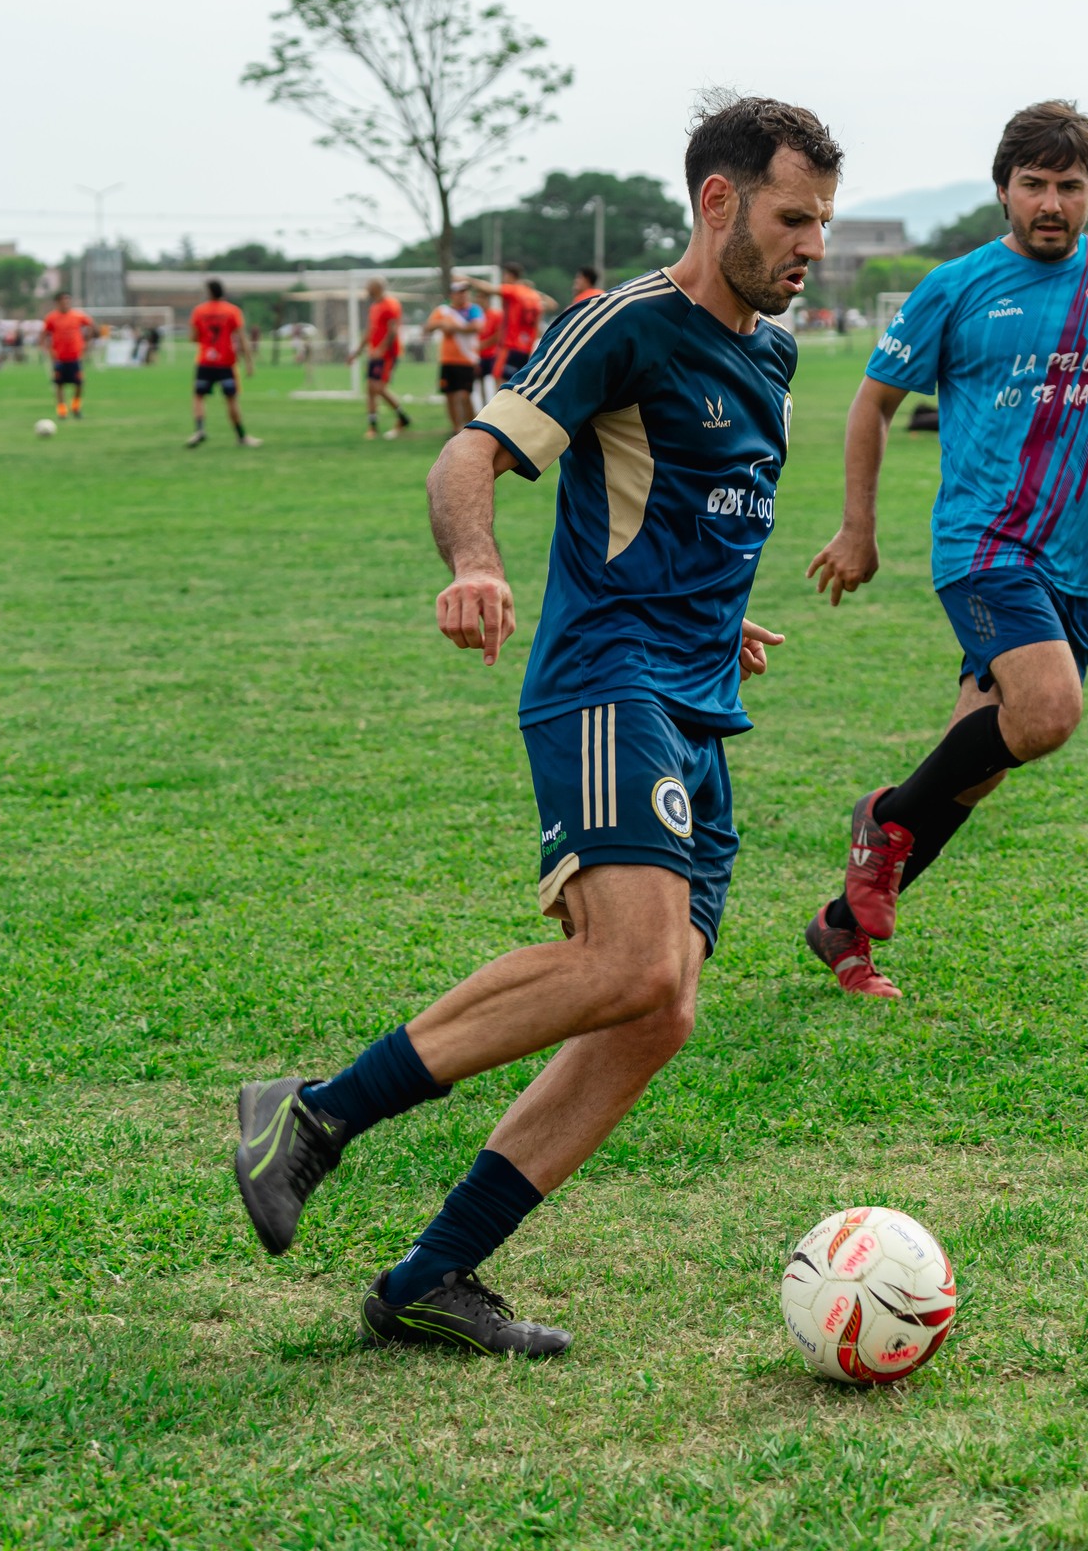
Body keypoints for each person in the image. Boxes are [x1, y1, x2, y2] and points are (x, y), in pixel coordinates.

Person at [232, 93, 839, 1356]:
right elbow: (469, 453)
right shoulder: (622, 324)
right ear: (717, 200)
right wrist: (476, 561)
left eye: (823, 221)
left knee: (658, 1007)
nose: (811, 245)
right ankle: (314, 1112)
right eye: (792, 217)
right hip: (608, 684)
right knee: (631, 964)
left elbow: (688, 509)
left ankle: (429, 1276)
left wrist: (722, 614)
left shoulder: (775, 356)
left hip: (697, 709)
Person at [804, 99, 1088, 1000]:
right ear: (1002, 189)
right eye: (1033, 184)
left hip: (1074, 560)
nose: (1050, 203)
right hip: (985, 543)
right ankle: (881, 818)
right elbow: (872, 406)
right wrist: (858, 527)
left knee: (971, 772)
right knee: (1047, 713)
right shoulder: (955, 286)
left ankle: (842, 926)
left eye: (1069, 186)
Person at [186, 278, 261, 448]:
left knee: (199, 397)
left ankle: (199, 430)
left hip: (205, 361)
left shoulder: (199, 311)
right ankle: (242, 437)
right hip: (226, 362)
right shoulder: (232, 311)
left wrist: (205, 338)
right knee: (231, 399)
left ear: (209, 292)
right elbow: (242, 339)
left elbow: (192, 337)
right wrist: (249, 363)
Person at [470, 264, 556, 384]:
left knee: (500, 383)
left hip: (510, 346)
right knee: (517, 384)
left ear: (509, 276)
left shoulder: (514, 291)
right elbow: (553, 305)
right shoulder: (534, 297)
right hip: (526, 349)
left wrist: (468, 280)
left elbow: (489, 289)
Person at [425, 280, 485, 434]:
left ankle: (471, 427)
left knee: (465, 395)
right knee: (450, 395)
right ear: (452, 295)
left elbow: (477, 327)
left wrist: (454, 327)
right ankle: (456, 428)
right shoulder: (443, 311)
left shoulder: (473, 309)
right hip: (447, 359)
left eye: (465, 292)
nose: (463, 295)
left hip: (467, 359)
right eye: (460, 292)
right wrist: (441, 324)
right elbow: (428, 327)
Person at [355, 277, 411, 440]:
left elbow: (393, 331)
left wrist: (381, 349)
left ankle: (402, 417)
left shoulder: (390, 304)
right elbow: (370, 331)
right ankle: (372, 426)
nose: (366, 289)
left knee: (378, 388)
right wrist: (357, 351)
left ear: (377, 287)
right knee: (370, 388)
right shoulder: (374, 306)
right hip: (374, 354)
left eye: (369, 286)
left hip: (387, 355)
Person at [40, 294, 96, 418]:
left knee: (79, 383)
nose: (66, 304)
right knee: (59, 384)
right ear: (57, 303)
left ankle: (76, 407)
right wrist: (46, 348)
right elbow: (44, 334)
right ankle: (62, 410)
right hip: (59, 357)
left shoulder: (78, 316)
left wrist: (87, 342)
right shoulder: (51, 317)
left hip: (75, 356)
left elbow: (91, 325)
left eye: (68, 301)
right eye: (63, 301)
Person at [474, 300, 503, 405]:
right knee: (479, 382)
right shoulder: (476, 315)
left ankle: (497, 405)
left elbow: (499, 334)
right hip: (479, 355)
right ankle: (483, 405)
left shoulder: (495, 315)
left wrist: (484, 344)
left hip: (493, 354)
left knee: (497, 381)